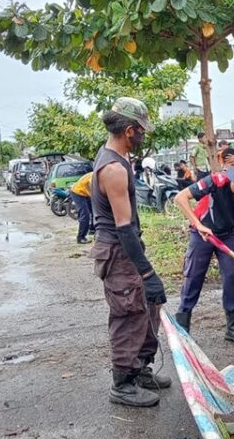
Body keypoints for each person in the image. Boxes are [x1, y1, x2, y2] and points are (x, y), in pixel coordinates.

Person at [88, 97, 171, 408]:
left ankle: (140, 370)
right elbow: (123, 227)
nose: (143, 137)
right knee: (129, 314)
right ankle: (123, 383)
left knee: (149, 307)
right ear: (130, 130)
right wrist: (147, 272)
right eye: (142, 132)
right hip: (118, 250)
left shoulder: (119, 158)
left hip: (127, 248)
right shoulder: (113, 168)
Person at [173, 160, 234, 347]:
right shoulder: (217, 181)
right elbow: (180, 198)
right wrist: (198, 224)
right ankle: (182, 327)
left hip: (228, 235)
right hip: (202, 234)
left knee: (232, 276)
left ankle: (232, 328)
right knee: (194, 276)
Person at [70, 171, 94, 244]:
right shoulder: (95, 176)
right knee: (85, 214)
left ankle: (92, 229)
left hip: (85, 193)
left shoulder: (98, 174)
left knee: (94, 211)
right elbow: (89, 185)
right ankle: (81, 237)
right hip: (77, 193)